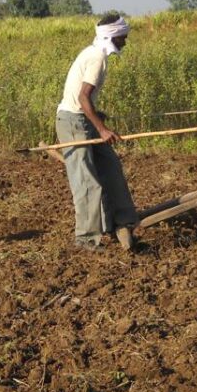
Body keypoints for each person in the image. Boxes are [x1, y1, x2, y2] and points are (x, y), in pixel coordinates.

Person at [55, 14, 138, 251]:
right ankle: (86, 238)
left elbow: (85, 98)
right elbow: (82, 97)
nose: (125, 41)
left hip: (83, 119)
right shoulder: (97, 58)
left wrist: (97, 116)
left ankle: (123, 219)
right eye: (123, 37)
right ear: (112, 36)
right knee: (87, 181)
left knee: (111, 166)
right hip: (73, 122)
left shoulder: (95, 54)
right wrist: (102, 130)